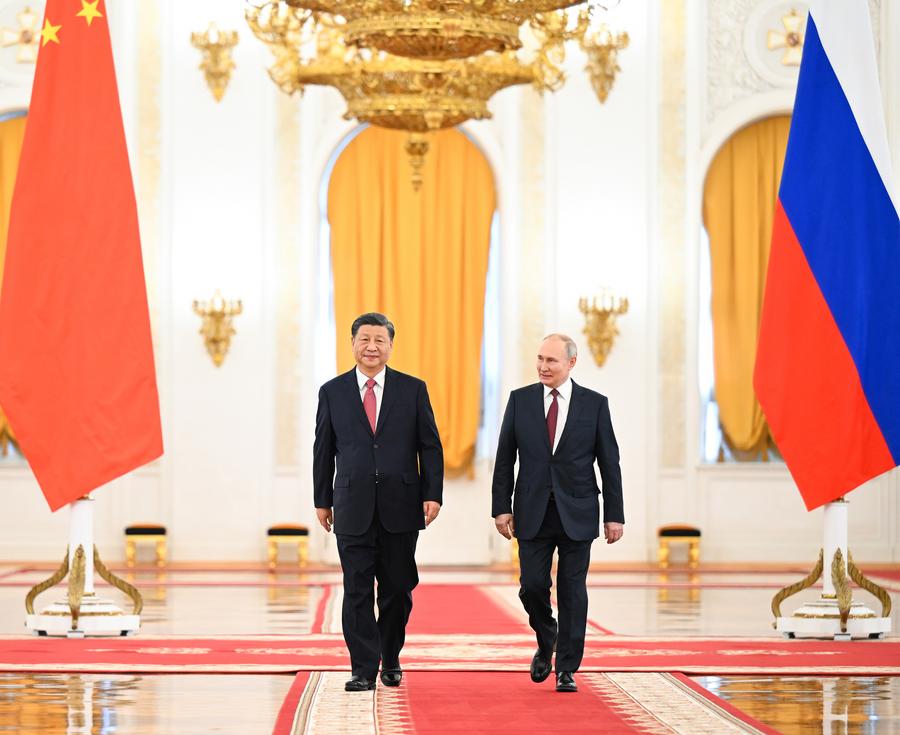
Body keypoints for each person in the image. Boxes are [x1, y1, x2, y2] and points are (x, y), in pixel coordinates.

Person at [313, 312, 443, 692]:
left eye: (379, 340)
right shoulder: (332, 391)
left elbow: (429, 446)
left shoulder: (412, 389)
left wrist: (432, 493)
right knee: (356, 589)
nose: (371, 346)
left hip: (401, 504)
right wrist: (323, 499)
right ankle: (362, 669)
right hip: (351, 504)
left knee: (397, 588)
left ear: (390, 346)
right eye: (364, 339)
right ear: (352, 344)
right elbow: (323, 449)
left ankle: (391, 655)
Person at [492, 333, 624, 693]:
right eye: (539, 359)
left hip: (578, 510)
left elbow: (609, 462)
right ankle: (546, 636)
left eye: (551, 361)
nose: (542, 367)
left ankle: (566, 667)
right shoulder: (520, 401)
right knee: (531, 587)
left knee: (572, 591)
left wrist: (615, 514)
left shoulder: (594, 404)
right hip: (532, 510)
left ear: (571, 363)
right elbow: (505, 458)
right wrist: (501, 507)